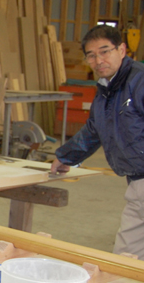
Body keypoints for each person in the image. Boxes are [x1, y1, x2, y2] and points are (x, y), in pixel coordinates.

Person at [51, 24, 144, 257]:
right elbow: (94, 130)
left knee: (128, 257)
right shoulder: (106, 90)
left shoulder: (139, 82)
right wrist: (65, 158)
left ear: (122, 50)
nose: (99, 60)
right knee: (127, 256)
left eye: (105, 51)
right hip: (137, 181)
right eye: (91, 55)